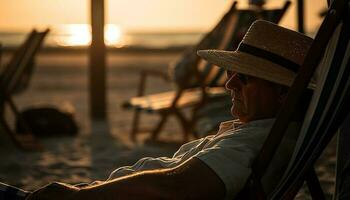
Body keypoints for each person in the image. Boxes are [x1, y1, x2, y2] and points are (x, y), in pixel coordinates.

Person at [1, 20, 314, 200]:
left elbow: (174, 186)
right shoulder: (265, 135)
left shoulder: (253, 143)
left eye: (242, 77)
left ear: (284, 94)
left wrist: (76, 196)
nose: (228, 83)